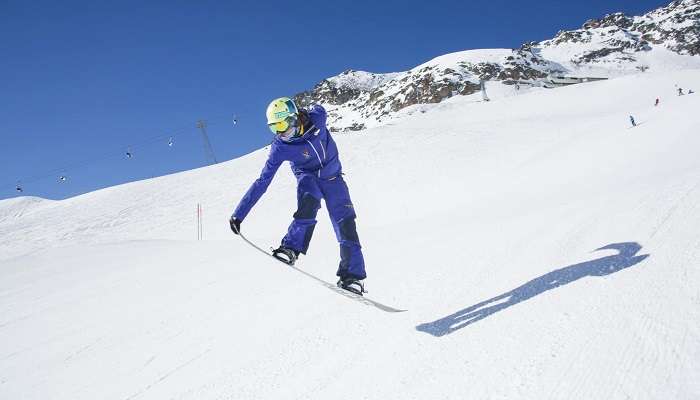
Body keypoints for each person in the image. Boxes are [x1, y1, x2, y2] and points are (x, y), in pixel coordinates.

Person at [229, 97, 366, 295]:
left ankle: (352, 276)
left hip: (334, 179)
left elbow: (317, 108)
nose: (280, 132)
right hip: (308, 177)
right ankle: (290, 249)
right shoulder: (280, 146)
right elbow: (263, 181)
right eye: (273, 128)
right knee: (307, 205)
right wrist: (239, 214)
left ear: (295, 118)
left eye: (283, 124)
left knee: (346, 224)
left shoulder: (318, 118)